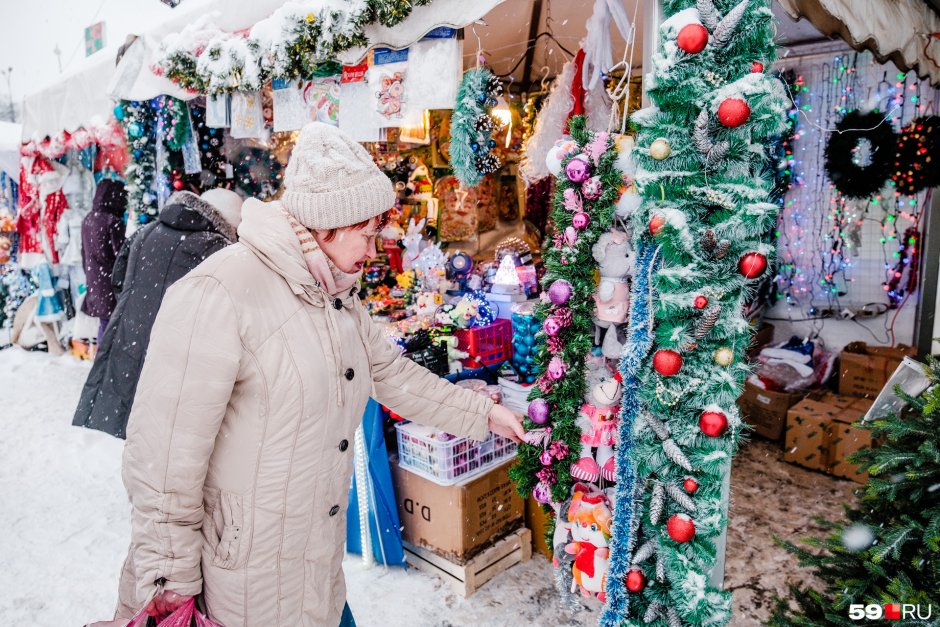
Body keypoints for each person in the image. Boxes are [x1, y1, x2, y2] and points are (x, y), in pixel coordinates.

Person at [108, 123, 525, 627]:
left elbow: (393, 374)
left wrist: (485, 413)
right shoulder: (221, 291)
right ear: (329, 225)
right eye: (368, 234)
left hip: (314, 573)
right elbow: (162, 457)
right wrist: (166, 583)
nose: (373, 253)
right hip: (240, 588)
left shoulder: (335, 295)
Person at [72, 188, 244, 439]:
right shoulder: (218, 249)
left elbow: (118, 280)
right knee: (158, 439)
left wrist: (140, 309)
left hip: (128, 340)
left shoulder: (147, 231)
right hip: (172, 357)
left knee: (132, 423)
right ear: (230, 221)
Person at [81, 179, 127, 345]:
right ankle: (106, 363)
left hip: (95, 279)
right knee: (112, 325)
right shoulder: (112, 221)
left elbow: (83, 253)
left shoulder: (88, 219)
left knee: (105, 323)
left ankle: (102, 361)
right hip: (110, 282)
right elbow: (121, 255)